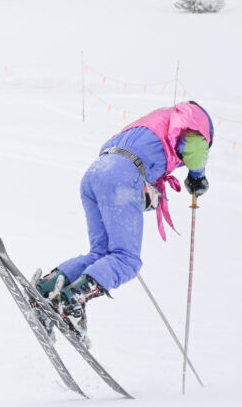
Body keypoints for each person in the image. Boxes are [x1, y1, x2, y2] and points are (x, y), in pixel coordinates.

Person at [34, 100, 213, 342]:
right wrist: (197, 177)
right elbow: (195, 149)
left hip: (95, 173)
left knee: (101, 254)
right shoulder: (195, 120)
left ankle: (47, 288)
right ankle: (73, 300)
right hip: (122, 176)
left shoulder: (154, 120)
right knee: (126, 260)